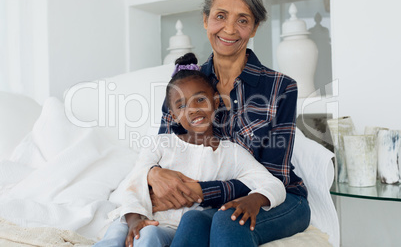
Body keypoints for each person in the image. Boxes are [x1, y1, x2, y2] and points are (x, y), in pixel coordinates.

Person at [148, 0, 311, 246]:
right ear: (205, 19)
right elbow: (163, 150)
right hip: (206, 203)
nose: (229, 29)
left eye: (243, 20)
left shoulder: (281, 87)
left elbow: (273, 178)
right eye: (220, 16)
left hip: (279, 198)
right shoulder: (184, 86)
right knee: (192, 221)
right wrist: (152, 174)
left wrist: (202, 191)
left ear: (255, 27)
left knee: (228, 219)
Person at [94, 53, 286, 247]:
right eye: (181, 105)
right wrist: (134, 219)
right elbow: (134, 182)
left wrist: (254, 200)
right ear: (174, 116)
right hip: (137, 216)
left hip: (172, 230)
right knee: (117, 232)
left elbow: (274, 185)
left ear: (217, 102)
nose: (193, 109)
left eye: (200, 100)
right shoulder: (160, 144)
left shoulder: (231, 153)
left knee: (149, 235)